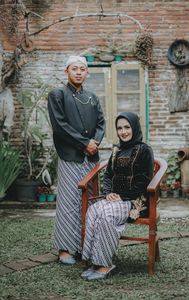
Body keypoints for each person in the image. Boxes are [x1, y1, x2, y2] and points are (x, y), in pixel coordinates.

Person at [81, 112, 154, 280]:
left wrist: (122, 196)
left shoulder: (144, 150)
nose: (123, 131)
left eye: (127, 127)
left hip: (135, 202)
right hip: (115, 198)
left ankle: (105, 264)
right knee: (93, 210)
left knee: (107, 214)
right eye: (119, 128)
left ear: (134, 128)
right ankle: (94, 261)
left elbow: (144, 181)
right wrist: (108, 193)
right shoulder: (116, 150)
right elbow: (108, 176)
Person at [48, 55, 105, 265]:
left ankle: (85, 247)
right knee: (69, 202)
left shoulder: (92, 97)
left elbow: (101, 123)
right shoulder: (58, 95)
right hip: (70, 157)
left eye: (82, 69)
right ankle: (64, 249)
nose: (79, 72)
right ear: (67, 72)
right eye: (75, 69)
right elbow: (60, 126)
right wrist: (84, 143)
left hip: (91, 158)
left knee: (90, 202)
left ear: (87, 73)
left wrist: (95, 143)